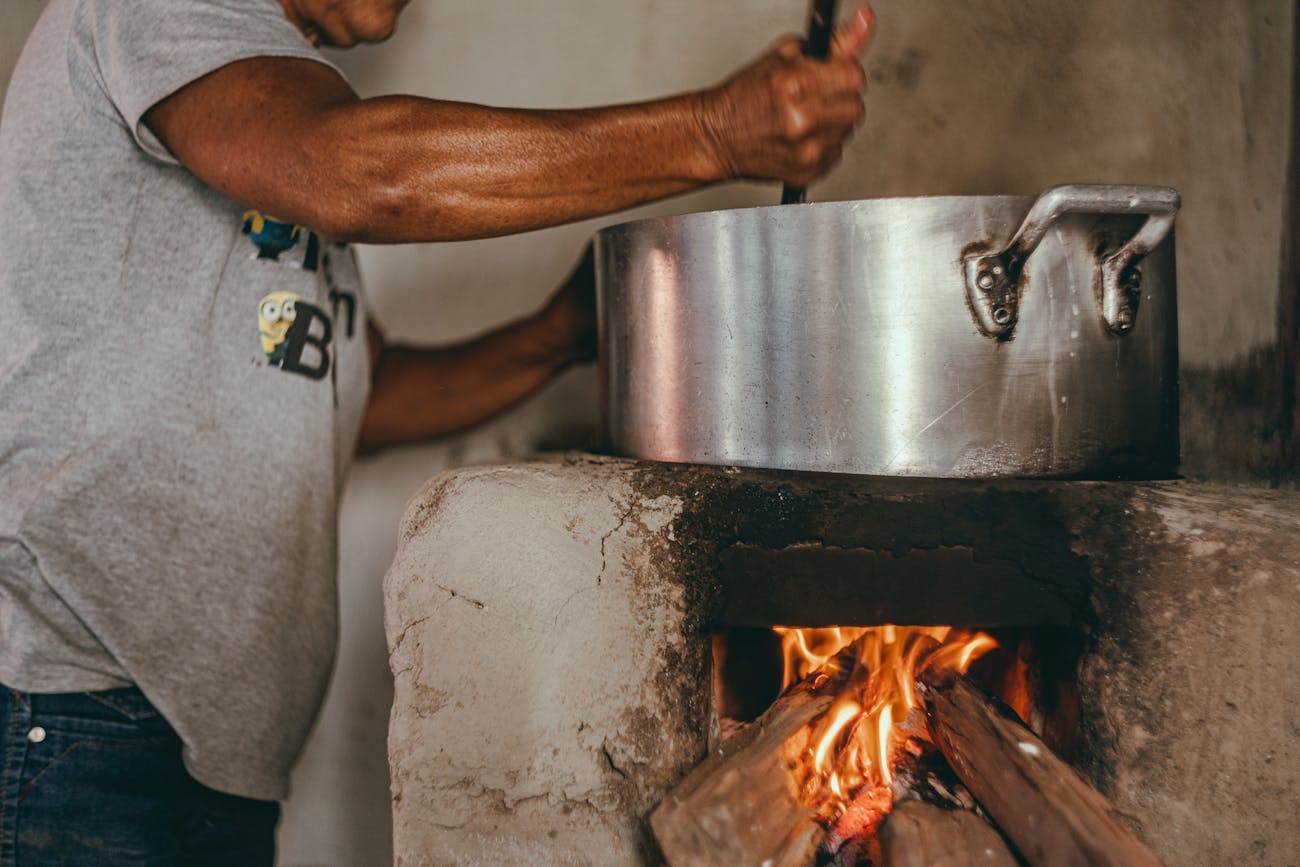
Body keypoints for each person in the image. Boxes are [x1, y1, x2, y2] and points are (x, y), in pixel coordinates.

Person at [0, 0, 874, 862]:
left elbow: (358, 400)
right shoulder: (158, 13)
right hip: (76, 713)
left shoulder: (272, 104)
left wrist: (560, 334)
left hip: (208, 752)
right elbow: (351, 175)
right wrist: (713, 134)